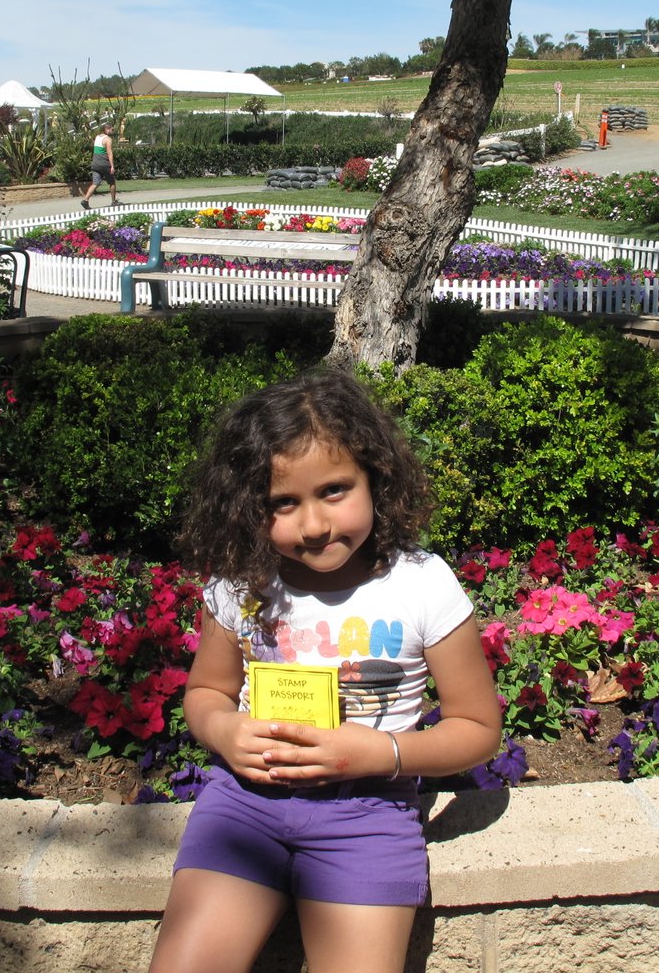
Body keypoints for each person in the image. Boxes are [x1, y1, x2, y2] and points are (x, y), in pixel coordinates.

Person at [150, 371, 502, 973]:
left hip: (366, 816)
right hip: (244, 808)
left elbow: (477, 726)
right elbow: (207, 690)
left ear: (375, 478)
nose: (312, 525)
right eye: (281, 504)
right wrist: (223, 732)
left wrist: (379, 755)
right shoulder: (242, 583)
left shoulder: (419, 584)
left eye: (334, 490)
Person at [81, 122, 118, 210]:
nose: (112, 131)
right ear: (107, 129)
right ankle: (113, 201)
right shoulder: (108, 139)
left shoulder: (97, 137)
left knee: (95, 183)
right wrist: (112, 166)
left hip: (95, 164)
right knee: (112, 182)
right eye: (111, 129)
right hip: (104, 164)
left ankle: (85, 200)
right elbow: (109, 153)